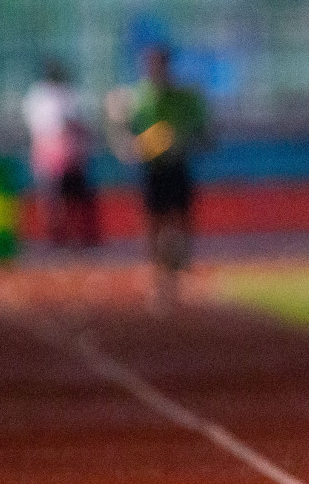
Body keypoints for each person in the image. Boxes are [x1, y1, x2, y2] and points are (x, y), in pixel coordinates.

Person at [107, 44, 209, 310]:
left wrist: (182, 142)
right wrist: (130, 146)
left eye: (159, 64)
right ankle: (160, 277)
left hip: (177, 167)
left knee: (180, 220)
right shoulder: (135, 98)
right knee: (154, 222)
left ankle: (176, 269)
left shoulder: (185, 98)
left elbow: (205, 135)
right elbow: (122, 135)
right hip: (152, 169)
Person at [22, 59, 100, 249]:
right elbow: (42, 128)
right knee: (53, 199)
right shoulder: (38, 96)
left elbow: (80, 125)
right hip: (50, 156)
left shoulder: (69, 94)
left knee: (78, 199)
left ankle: (82, 237)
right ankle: (57, 238)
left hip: (71, 155)